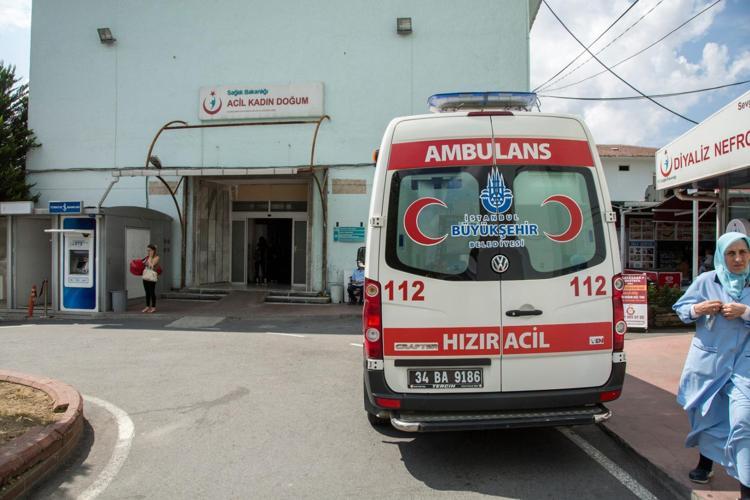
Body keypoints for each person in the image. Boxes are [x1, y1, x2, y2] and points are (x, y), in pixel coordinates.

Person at [672, 232, 750, 499]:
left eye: (743, 252)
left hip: (744, 367)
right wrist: (699, 309)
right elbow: (681, 309)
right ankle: (705, 464)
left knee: (743, 421)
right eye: (731, 253)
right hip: (710, 364)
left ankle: (746, 489)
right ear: (721, 256)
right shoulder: (706, 281)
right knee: (707, 416)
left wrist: (745, 312)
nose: (738, 259)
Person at [142, 244, 160, 313]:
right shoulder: (147, 257)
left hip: (152, 276)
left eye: (149, 250)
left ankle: (153, 307)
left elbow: (151, 265)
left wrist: (150, 257)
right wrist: (146, 261)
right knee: (147, 292)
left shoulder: (157, 257)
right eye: (147, 250)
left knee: (152, 292)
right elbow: (144, 264)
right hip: (146, 276)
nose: (148, 252)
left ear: (153, 250)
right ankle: (147, 306)